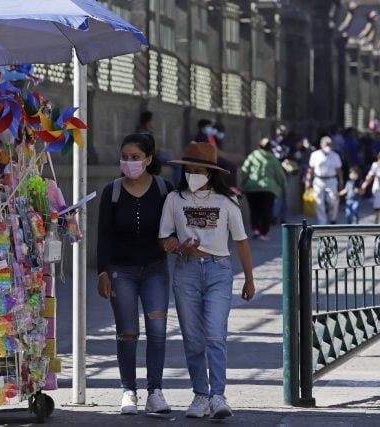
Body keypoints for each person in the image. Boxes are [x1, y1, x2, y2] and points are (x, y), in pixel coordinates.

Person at [159, 142, 256, 420]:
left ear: (211, 173)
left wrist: (249, 279)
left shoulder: (226, 202)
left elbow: (241, 241)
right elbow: (164, 237)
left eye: (199, 170)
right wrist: (176, 246)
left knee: (215, 334)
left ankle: (218, 396)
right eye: (189, 170)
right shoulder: (175, 200)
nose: (193, 174)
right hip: (186, 270)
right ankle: (200, 394)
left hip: (218, 271)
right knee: (192, 338)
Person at [97, 133, 174, 415]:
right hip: (121, 271)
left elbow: (174, 227)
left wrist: (175, 242)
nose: (129, 163)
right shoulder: (113, 191)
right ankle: (128, 390)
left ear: (149, 159)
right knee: (127, 333)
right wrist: (102, 272)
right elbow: (103, 235)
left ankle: (156, 391)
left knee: (157, 331)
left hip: (155, 269)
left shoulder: (165, 189)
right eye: (125, 157)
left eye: (135, 157)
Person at [240, 138, 286, 240]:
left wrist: (245, 181)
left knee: (254, 210)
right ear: (270, 147)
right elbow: (279, 175)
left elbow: (244, 170)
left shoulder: (253, 156)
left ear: (259, 146)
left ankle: (255, 229)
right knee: (266, 211)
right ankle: (264, 233)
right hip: (268, 189)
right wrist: (282, 184)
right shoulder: (273, 159)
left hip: (252, 188)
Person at [305, 136, 344, 224]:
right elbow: (310, 169)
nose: (328, 146)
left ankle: (332, 218)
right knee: (319, 202)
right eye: (326, 144)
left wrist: (341, 181)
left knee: (333, 200)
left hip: (331, 180)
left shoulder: (335, 155)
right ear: (321, 145)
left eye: (329, 144)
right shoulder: (315, 155)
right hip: (319, 180)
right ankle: (322, 222)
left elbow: (339, 170)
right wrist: (308, 181)